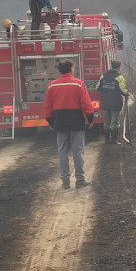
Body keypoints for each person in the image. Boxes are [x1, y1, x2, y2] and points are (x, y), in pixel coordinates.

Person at [44, 59, 94, 188]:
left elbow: (48, 106)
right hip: (76, 121)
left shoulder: (52, 86)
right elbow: (86, 103)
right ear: (71, 68)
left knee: (62, 152)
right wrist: (90, 119)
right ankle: (80, 180)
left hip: (59, 122)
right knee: (78, 151)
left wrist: (50, 121)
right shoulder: (78, 84)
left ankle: (65, 182)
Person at [96, 60, 129, 144]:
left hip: (105, 103)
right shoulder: (119, 77)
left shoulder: (103, 76)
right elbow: (123, 90)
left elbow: (98, 88)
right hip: (115, 103)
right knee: (115, 122)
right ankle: (113, 141)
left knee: (107, 122)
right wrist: (126, 93)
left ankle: (107, 140)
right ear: (119, 67)